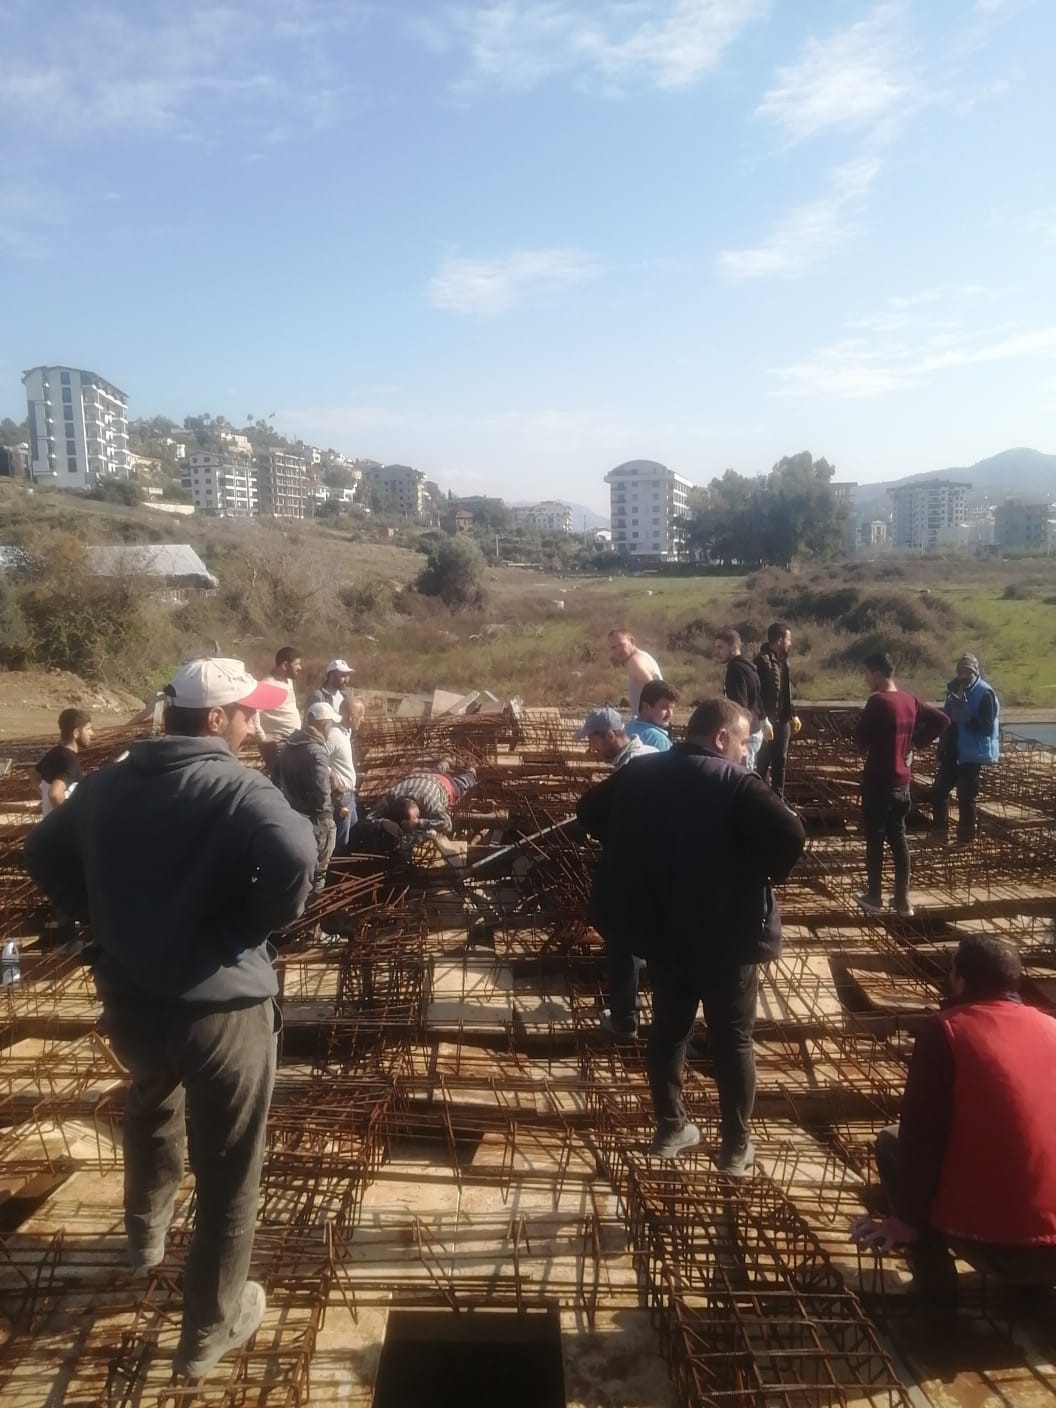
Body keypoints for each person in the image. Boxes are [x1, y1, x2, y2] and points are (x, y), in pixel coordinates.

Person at [23, 658, 317, 1382]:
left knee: (152, 1099)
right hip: (222, 1015)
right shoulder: (237, 786)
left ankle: (144, 1239)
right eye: (246, 712)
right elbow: (295, 851)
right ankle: (210, 1330)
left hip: (131, 1005)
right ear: (216, 720)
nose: (252, 723)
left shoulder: (107, 784)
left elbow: (39, 849)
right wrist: (254, 925)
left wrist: (91, 916)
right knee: (230, 1172)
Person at [577, 699, 805, 1170]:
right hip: (728, 939)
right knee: (733, 1040)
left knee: (668, 1030)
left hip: (666, 934)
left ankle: (671, 1128)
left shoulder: (640, 773)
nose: (744, 753)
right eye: (741, 742)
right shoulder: (737, 782)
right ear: (721, 738)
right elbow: (791, 835)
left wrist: (636, 846)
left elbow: (589, 812)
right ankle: (735, 1146)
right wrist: (761, 871)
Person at [851, 935, 1056, 1307]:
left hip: (995, 1249)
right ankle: (1031, 1290)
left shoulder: (946, 1031)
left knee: (892, 1142)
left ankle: (936, 1292)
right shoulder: (1052, 1029)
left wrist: (904, 1219)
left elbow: (921, 1136)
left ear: (960, 979)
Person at [854, 652, 949, 919]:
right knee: (898, 837)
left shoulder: (878, 701)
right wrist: (916, 743)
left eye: (866, 674)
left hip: (878, 782)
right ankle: (903, 900)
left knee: (875, 838)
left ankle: (874, 896)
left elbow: (860, 738)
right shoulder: (910, 700)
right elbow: (943, 720)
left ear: (876, 673)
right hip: (902, 783)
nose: (865, 679)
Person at [930, 653, 1000, 847]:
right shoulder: (953, 690)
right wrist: (941, 750)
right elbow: (947, 723)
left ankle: (965, 839)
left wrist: (968, 717)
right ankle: (940, 834)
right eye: (960, 671)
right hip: (953, 751)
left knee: (966, 797)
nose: (963, 675)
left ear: (975, 672)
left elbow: (987, 728)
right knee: (938, 791)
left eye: (967, 672)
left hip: (972, 754)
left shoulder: (985, 693)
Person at [276, 701, 341, 894]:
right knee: (318, 876)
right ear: (325, 724)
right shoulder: (317, 752)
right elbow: (322, 792)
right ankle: (314, 911)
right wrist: (330, 804)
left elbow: (276, 777)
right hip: (316, 821)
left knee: (296, 873)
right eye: (330, 724)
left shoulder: (289, 746)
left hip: (292, 815)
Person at [368, 762, 478, 837]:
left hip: (444, 783)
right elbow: (366, 820)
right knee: (437, 770)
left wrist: (418, 823)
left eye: (417, 815)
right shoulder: (391, 797)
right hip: (422, 775)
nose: (419, 816)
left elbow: (447, 824)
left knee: (462, 784)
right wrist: (384, 823)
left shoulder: (428, 800)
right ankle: (444, 764)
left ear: (414, 803)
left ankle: (472, 772)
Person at [754, 623, 798, 797]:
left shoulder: (784, 660)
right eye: (788, 639)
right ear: (780, 640)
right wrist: (763, 719)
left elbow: (786, 691)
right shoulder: (761, 661)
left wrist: (793, 713)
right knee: (763, 763)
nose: (790, 643)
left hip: (783, 719)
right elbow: (756, 693)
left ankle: (779, 799)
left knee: (781, 761)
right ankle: (762, 799)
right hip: (767, 721)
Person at [714, 629, 764, 771]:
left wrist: (735, 734)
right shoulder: (748, 667)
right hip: (753, 729)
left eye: (721, 647)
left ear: (733, 647)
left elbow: (739, 706)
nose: (717, 652)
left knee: (743, 775)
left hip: (745, 734)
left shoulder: (736, 670)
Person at [253, 646, 302, 774]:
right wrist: (262, 737)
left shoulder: (289, 682)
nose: (300, 668)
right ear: (285, 665)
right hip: (278, 744)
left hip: (291, 740)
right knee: (281, 780)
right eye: (296, 664)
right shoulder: (266, 685)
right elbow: (253, 712)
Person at [35, 708, 94, 816]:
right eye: (88, 729)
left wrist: (44, 795)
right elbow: (55, 794)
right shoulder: (70, 761)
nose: (92, 733)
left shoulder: (55, 752)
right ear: (76, 733)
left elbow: (33, 774)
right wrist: (68, 819)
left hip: (49, 823)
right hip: (60, 826)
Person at [326, 694, 359, 853]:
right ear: (351, 717)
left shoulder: (346, 732)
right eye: (361, 715)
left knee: (353, 830)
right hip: (341, 798)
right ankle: (336, 865)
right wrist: (330, 773)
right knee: (341, 841)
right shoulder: (334, 735)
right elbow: (317, 756)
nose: (364, 719)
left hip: (349, 796)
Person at [579, 705, 657, 769]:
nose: (592, 749)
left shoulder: (628, 769)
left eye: (594, 742)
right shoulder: (653, 751)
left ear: (610, 736)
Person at [608, 629, 662, 716]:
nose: (618, 651)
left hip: (648, 721)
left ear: (632, 641)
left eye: (621, 645)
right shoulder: (643, 656)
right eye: (613, 648)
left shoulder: (635, 661)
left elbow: (655, 689)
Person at [347, 796, 421, 858]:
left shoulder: (414, 824)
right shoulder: (386, 806)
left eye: (418, 817)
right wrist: (383, 823)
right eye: (415, 818)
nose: (418, 821)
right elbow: (363, 825)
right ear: (403, 822)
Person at [625, 680, 678, 752]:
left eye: (671, 708)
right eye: (664, 708)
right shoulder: (658, 740)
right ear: (645, 707)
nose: (670, 714)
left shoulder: (626, 729)